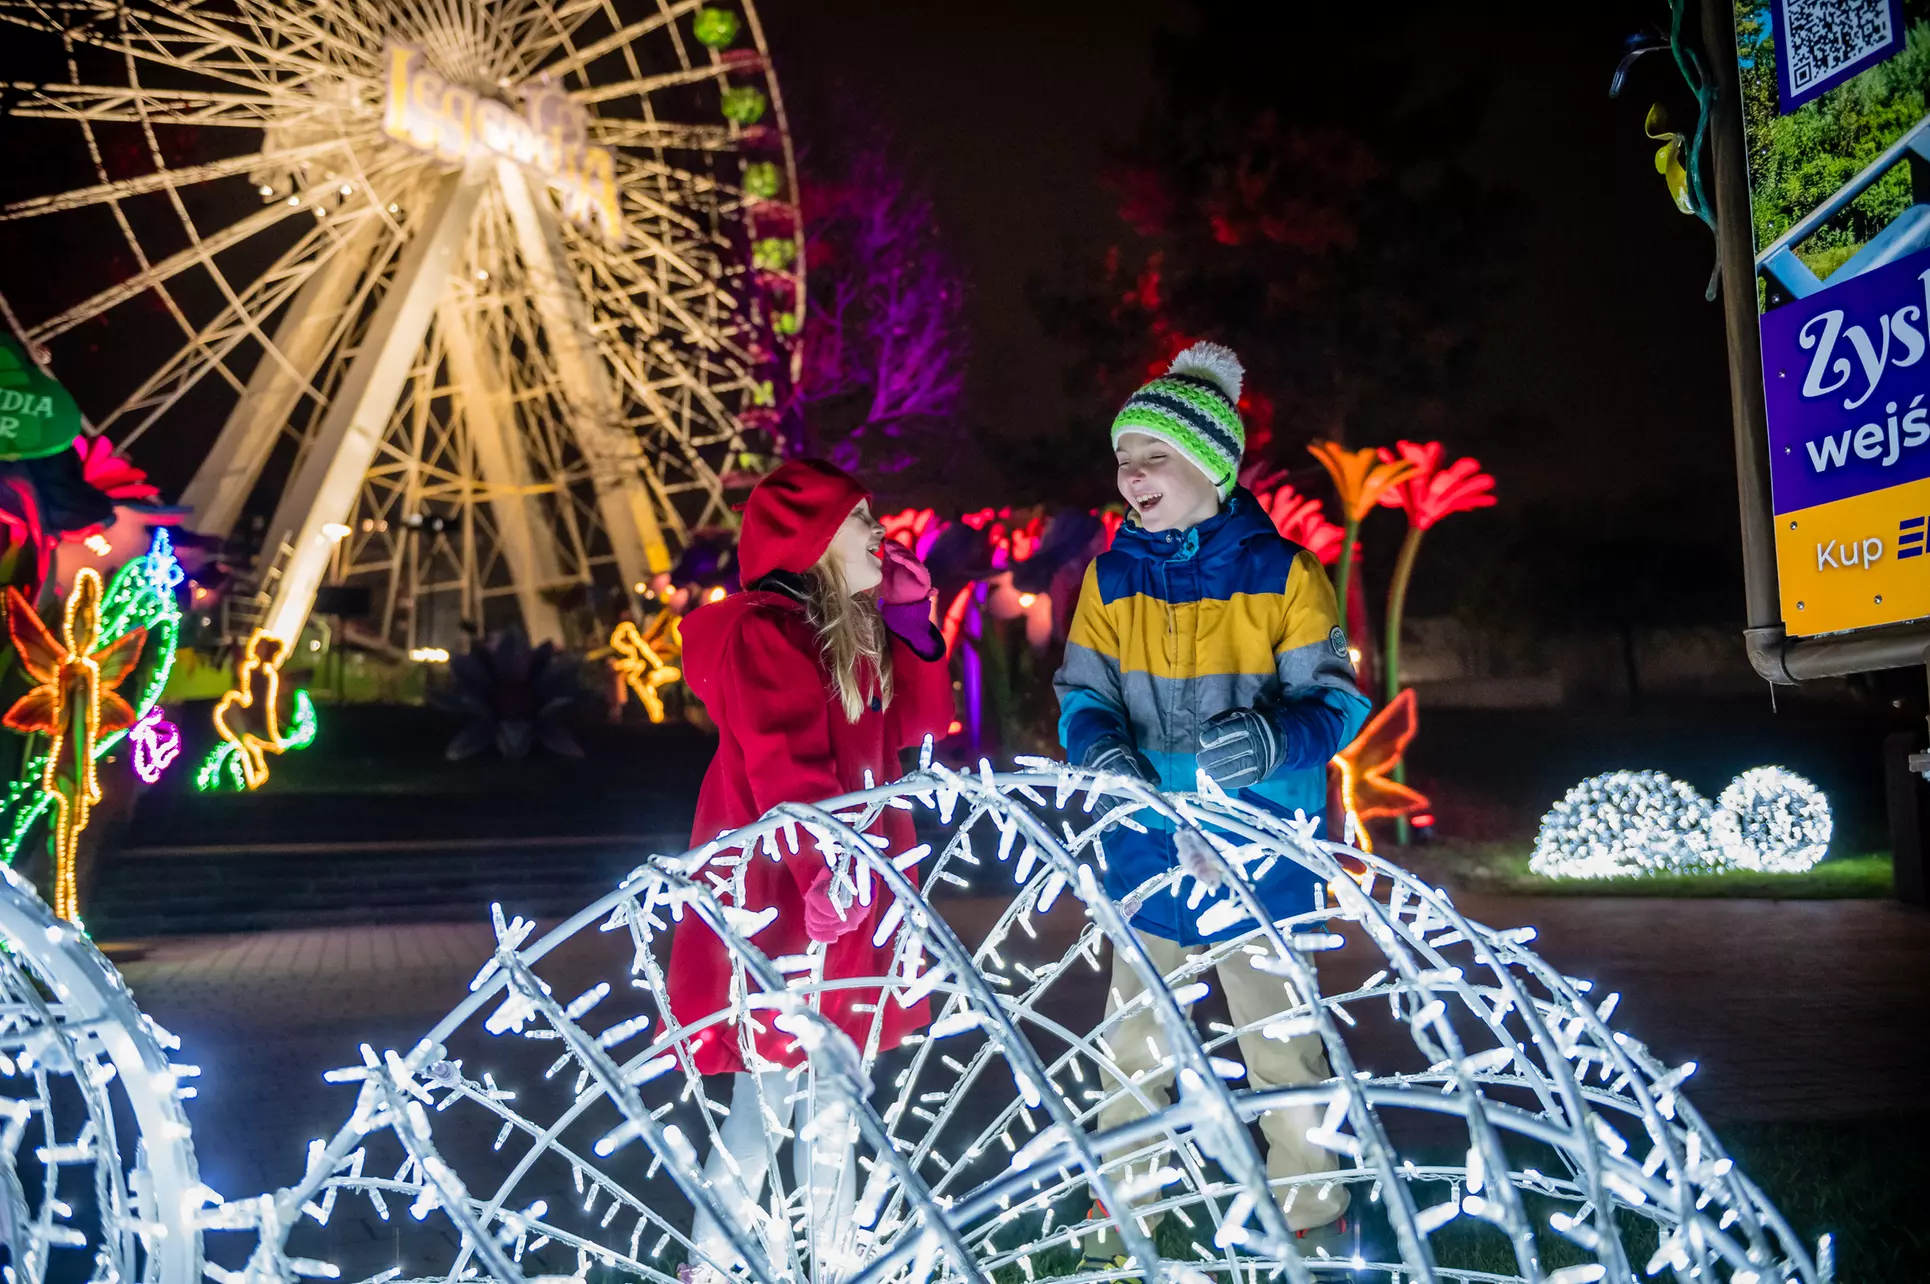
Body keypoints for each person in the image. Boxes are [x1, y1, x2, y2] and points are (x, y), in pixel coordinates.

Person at [1054, 342, 1372, 1259]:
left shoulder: (1286, 574)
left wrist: (1274, 740)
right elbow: (1083, 694)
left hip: (1261, 848)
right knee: (1133, 1046)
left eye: (1151, 456)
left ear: (1211, 465)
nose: (1131, 475)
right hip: (1146, 849)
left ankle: (1313, 1220)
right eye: (1123, 459)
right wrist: (1102, 751)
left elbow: (1338, 699)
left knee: (1280, 1047)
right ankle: (1121, 1220)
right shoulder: (1109, 579)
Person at [668, 459, 954, 1284]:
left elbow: (920, 728)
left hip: (845, 883)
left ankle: (787, 1264)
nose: (880, 532)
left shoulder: (851, 632)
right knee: (782, 1101)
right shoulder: (766, 633)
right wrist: (825, 872)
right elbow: (785, 767)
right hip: (790, 896)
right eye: (861, 519)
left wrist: (912, 622)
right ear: (814, 540)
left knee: (823, 1096)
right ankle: (739, 1265)